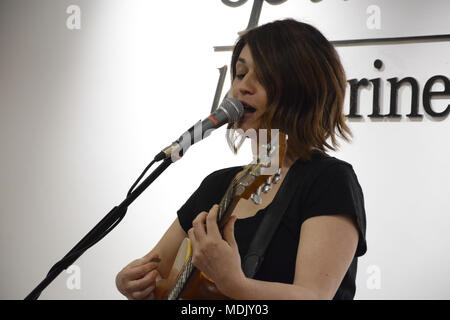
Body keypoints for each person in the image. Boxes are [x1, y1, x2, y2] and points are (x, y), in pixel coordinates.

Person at [115, 18, 367, 300]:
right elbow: (157, 270)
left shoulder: (328, 180)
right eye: (239, 73)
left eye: (263, 77)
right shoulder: (217, 185)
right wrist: (131, 281)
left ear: (302, 88)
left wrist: (236, 285)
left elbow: (315, 296)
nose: (242, 87)